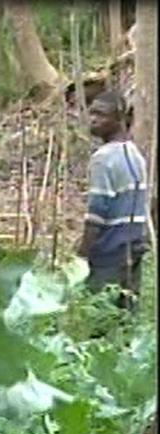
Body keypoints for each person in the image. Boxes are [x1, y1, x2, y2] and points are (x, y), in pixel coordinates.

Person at [77, 89, 149, 309]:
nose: (94, 120)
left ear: (119, 119)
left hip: (109, 250)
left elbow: (97, 214)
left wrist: (81, 255)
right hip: (133, 245)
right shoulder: (135, 153)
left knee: (100, 317)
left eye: (101, 115)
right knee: (126, 316)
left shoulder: (103, 158)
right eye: (92, 114)